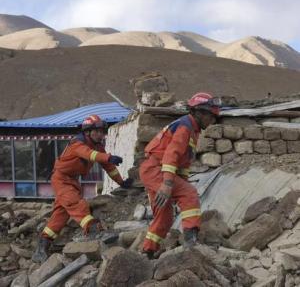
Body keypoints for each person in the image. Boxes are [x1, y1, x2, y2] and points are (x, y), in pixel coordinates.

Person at [32, 114, 132, 263]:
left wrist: (121, 182)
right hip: (61, 179)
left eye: (102, 131)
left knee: (61, 214)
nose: (100, 134)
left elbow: (109, 167)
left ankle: (42, 246)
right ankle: (94, 231)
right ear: (87, 132)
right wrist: (108, 156)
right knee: (77, 204)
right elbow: (90, 155)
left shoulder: (98, 147)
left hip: (72, 180)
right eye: (97, 131)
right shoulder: (77, 144)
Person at [139, 92, 220, 259]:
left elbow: (182, 163)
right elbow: (171, 154)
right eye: (210, 116)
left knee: (165, 217)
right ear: (198, 112)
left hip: (154, 170)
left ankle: (147, 252)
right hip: (156, 170)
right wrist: (168, 184)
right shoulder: (185, 127)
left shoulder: (192, 129)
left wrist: (178, 184)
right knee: (189, 193)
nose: (211, 121)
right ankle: (191, 240)